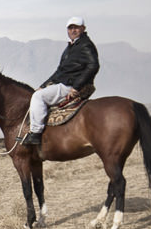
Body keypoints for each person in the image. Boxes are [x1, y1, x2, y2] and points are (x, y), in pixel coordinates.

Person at [23, 16, 98, 146]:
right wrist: (43, 86)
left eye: (76, 27)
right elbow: (59, 71)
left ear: (83, 29)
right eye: (70, 28)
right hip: (65, 82)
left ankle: (35, 133)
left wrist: (76, 87)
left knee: (38, 97)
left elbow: (93, 65)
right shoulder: (72, 46)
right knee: (39, 92)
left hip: (69, 85)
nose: (73, 30)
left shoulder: (85, 45)